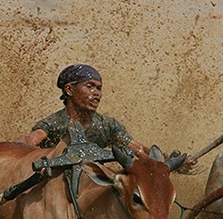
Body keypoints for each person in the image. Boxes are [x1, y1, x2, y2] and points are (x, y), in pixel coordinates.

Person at [16, 64, 151, 159]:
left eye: (99, 88)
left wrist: (163, 159)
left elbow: (138, 149)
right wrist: (38, 158)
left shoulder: (107, 126)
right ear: (69, 89)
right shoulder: (54, 124)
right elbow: (25, 144)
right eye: (89, 86)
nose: (96, 93)